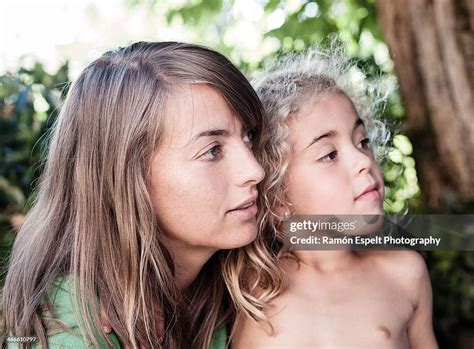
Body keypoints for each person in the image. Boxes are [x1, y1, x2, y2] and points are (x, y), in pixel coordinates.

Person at [2, 41, 282, 349]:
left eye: (248, 136)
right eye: (213, 151)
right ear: (126, 176)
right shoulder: (70, 327)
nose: (255, 170)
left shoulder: (227, 262)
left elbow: (340, 232)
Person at [232, 47, 438, 348]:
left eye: (363, 142)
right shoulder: (242, 290)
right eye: (329, 154)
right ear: (276, 197)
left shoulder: (404, 274)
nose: (364, 161)